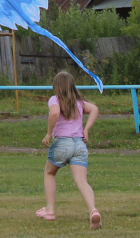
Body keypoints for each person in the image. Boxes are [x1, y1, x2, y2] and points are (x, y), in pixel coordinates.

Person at [35, 71, 102, 230]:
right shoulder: (79, 102)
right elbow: (94, 109)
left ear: (56, 86)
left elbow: (55, 112)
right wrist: (86, 130)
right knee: (82, 182)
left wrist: (49, 133)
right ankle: (93, 210)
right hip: (79, 144)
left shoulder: (54, 99)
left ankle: (50, 211)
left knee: (49, 173)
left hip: (62, 144)